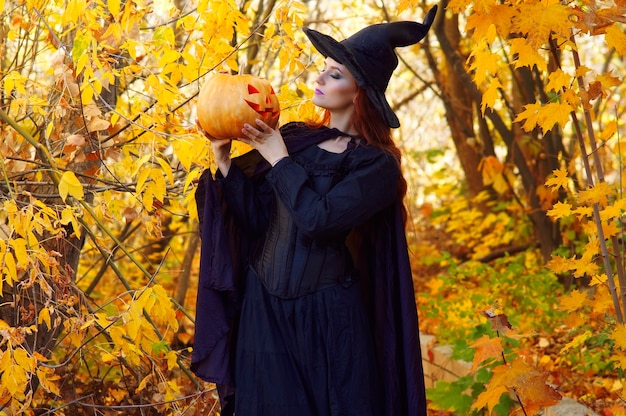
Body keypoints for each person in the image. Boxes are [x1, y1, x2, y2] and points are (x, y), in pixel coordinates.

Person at [191, 6, 437, 416]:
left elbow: (320, 221)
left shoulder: (375, 165)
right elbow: (258, 222)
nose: (320, 78)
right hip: (263, 310)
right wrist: (224, 163)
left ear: (360, 92)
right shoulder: (296, 138)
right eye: (324, 69)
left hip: (327, 320)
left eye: (335, 74)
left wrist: (278, 158)